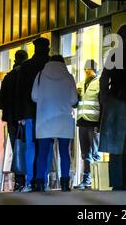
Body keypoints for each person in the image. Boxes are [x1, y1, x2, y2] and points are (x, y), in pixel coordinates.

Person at [32, 55, 78, 192]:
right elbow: (74, 99)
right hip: (63, 119)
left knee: (42, 153)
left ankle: (40, 182)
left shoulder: (40, 75)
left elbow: (34, 96)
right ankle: (64, 183)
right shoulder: (69, 77)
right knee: (64, 152)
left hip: (44, 119)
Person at [99, 24, 126, 190]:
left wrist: (105, 97)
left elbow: (104, 78)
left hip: (115, 102)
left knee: (115, 145)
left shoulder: (113, 55)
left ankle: (117, 182)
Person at [16, 37, 50, 192]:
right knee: (46, 146)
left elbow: (21, 91)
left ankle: (30, 181)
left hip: (29, 113)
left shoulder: (26, 66)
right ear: (48, 49)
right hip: (48, 113)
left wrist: (21, 114)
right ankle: (43, 180)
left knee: (30, 146)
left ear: (34, 49)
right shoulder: (52, 66)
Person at [0, 49, 28, 192]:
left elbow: (1, 101)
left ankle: (19, 181)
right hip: (26, 118)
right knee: (28, 147)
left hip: (11, 119)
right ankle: (30, 180)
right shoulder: (29, 74)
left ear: (15, 60)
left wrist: (9, 110)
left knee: (16, 148)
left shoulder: (8, 77)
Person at [74, 59, 101, 190]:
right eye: (85, 69)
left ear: (94, 70)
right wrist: (76, 95)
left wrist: (100, 123)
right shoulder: (80, 84)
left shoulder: (100, 83)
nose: (85, 71)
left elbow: (102, 104)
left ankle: (100, 179)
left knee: (96, 153)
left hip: (94, 122)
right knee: (85, 154)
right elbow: (74, 103)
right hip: (82, 122)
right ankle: (86, 180)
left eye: (88, 69)